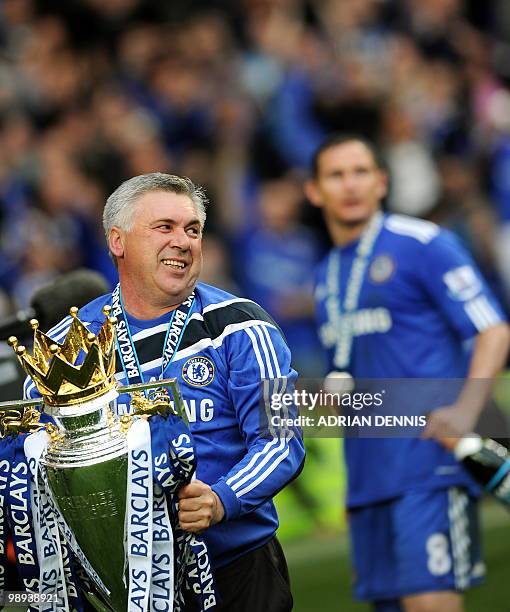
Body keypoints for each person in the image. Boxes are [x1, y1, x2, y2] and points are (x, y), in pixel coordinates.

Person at [23, 173, 305, 611]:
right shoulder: (63, 349)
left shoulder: (243, 326)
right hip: (119, 584)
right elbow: (37, 468)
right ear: (118, 241)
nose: (183, 241)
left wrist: (219, 500)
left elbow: (281, 442)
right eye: (164, 227)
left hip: (238, 572)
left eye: (193, 229)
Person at [305, 134, 510, 612]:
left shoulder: (423, 243)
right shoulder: (324, 276)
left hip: (428, 469)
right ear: (314, 191)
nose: (350, 185)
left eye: (360, 172)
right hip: (369, 484)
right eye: (336, 175)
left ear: (382, 182)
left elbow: (495, 331)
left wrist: (465, 411)